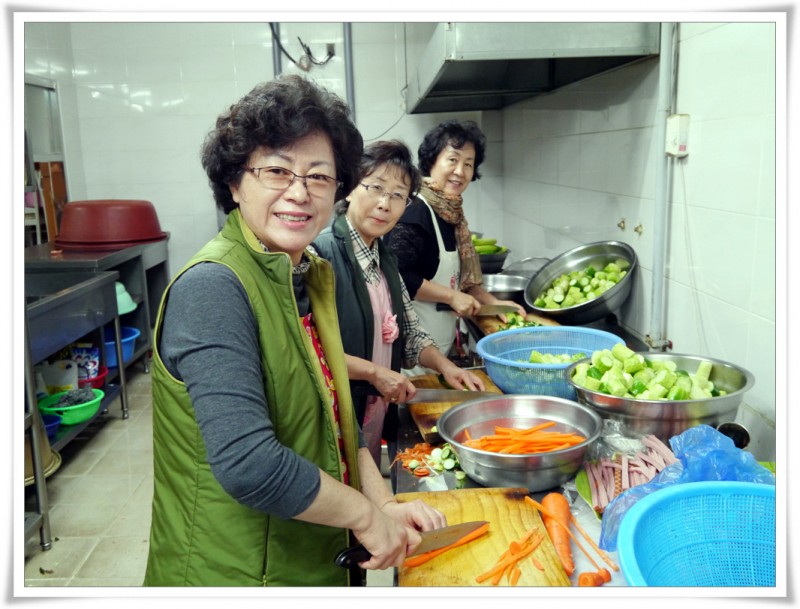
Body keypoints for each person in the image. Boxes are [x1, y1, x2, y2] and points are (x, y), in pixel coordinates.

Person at [143, 75, 446, 587]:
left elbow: (337, 420)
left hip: (303, 556)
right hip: (235, 573)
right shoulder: (214, 287)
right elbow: (248, 463)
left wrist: (384, 503)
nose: (299, 193)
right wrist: (365, 518)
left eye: (319, 176)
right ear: (236, 183)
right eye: (276, 171)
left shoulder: (305, 275)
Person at [311, 140, 486, 468]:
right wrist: (375, 373)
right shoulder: (320, 257)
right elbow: (308, 350)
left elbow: (410, 330)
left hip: (373, 409)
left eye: (397, 195)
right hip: (332, 416)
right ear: (349, 189)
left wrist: (447, 368)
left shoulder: (385, 257)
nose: (384, 204)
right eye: (376, 188)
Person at [384, 120, 525, 374]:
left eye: (468, 164)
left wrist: (498, 305)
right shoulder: (415, 211)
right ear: (431, 162)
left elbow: (464, 283)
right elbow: (398, 277)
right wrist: (452, 297)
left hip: (439, 352)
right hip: (410, 359)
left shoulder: (452, 215)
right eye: (452, 160)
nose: (460, 171)